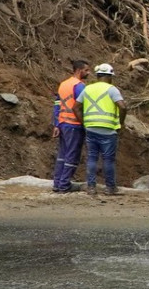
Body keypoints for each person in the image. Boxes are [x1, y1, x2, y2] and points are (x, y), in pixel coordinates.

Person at [79, 63, 125, 197]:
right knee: (108, 160)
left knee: (92, 158)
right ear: (109, 76)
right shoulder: (112, 89)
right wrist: (120, 124)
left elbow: (76, 106)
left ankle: (91, 187)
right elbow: (122, 107)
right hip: (108, 129)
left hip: (91, 128)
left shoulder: (87, 89)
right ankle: (110, 188)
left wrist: (84, 123)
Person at [51, 59, 90, 193]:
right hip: (74, 124)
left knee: (62, 155)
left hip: (63, 123)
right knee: (72, 155)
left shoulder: (63, 84)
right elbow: (81, 106)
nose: (88, 73)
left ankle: (57, 183)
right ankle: (64, 184)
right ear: (79, 71)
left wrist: (56, 124)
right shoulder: (79, 86)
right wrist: (85, 123)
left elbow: (57, 104)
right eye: (86, 70)